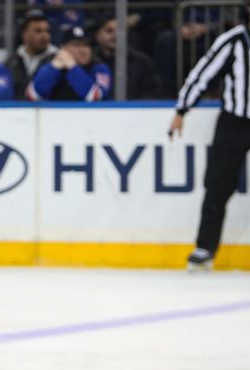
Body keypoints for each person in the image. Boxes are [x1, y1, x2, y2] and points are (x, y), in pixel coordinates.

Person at [168, 7, 250, 271]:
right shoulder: (234, 40)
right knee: (217, 184)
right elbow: (203, 74)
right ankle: (205, 247)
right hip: (235, 122)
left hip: (235, 121)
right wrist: (182, 109)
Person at [27, 25, 111, 101]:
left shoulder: (99, 67)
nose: (83, 50)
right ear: (63, 48)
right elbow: (33, 95)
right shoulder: (49, 64)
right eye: (76, 45)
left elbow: (94, 97)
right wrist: (53, 68)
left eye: (86, 45)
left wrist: (72, 67)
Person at [93, 15, 162, 100]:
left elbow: (154, 93)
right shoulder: (91, 62)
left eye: (120, 31)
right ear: (98, 36)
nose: (115, 35)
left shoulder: (142, 62)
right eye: (109, 31)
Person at [5, 9, 57, 100]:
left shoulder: (57, 60)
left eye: (47, 31)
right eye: (38, 31)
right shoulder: (11, 62)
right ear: (24, 34)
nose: (44, 35)